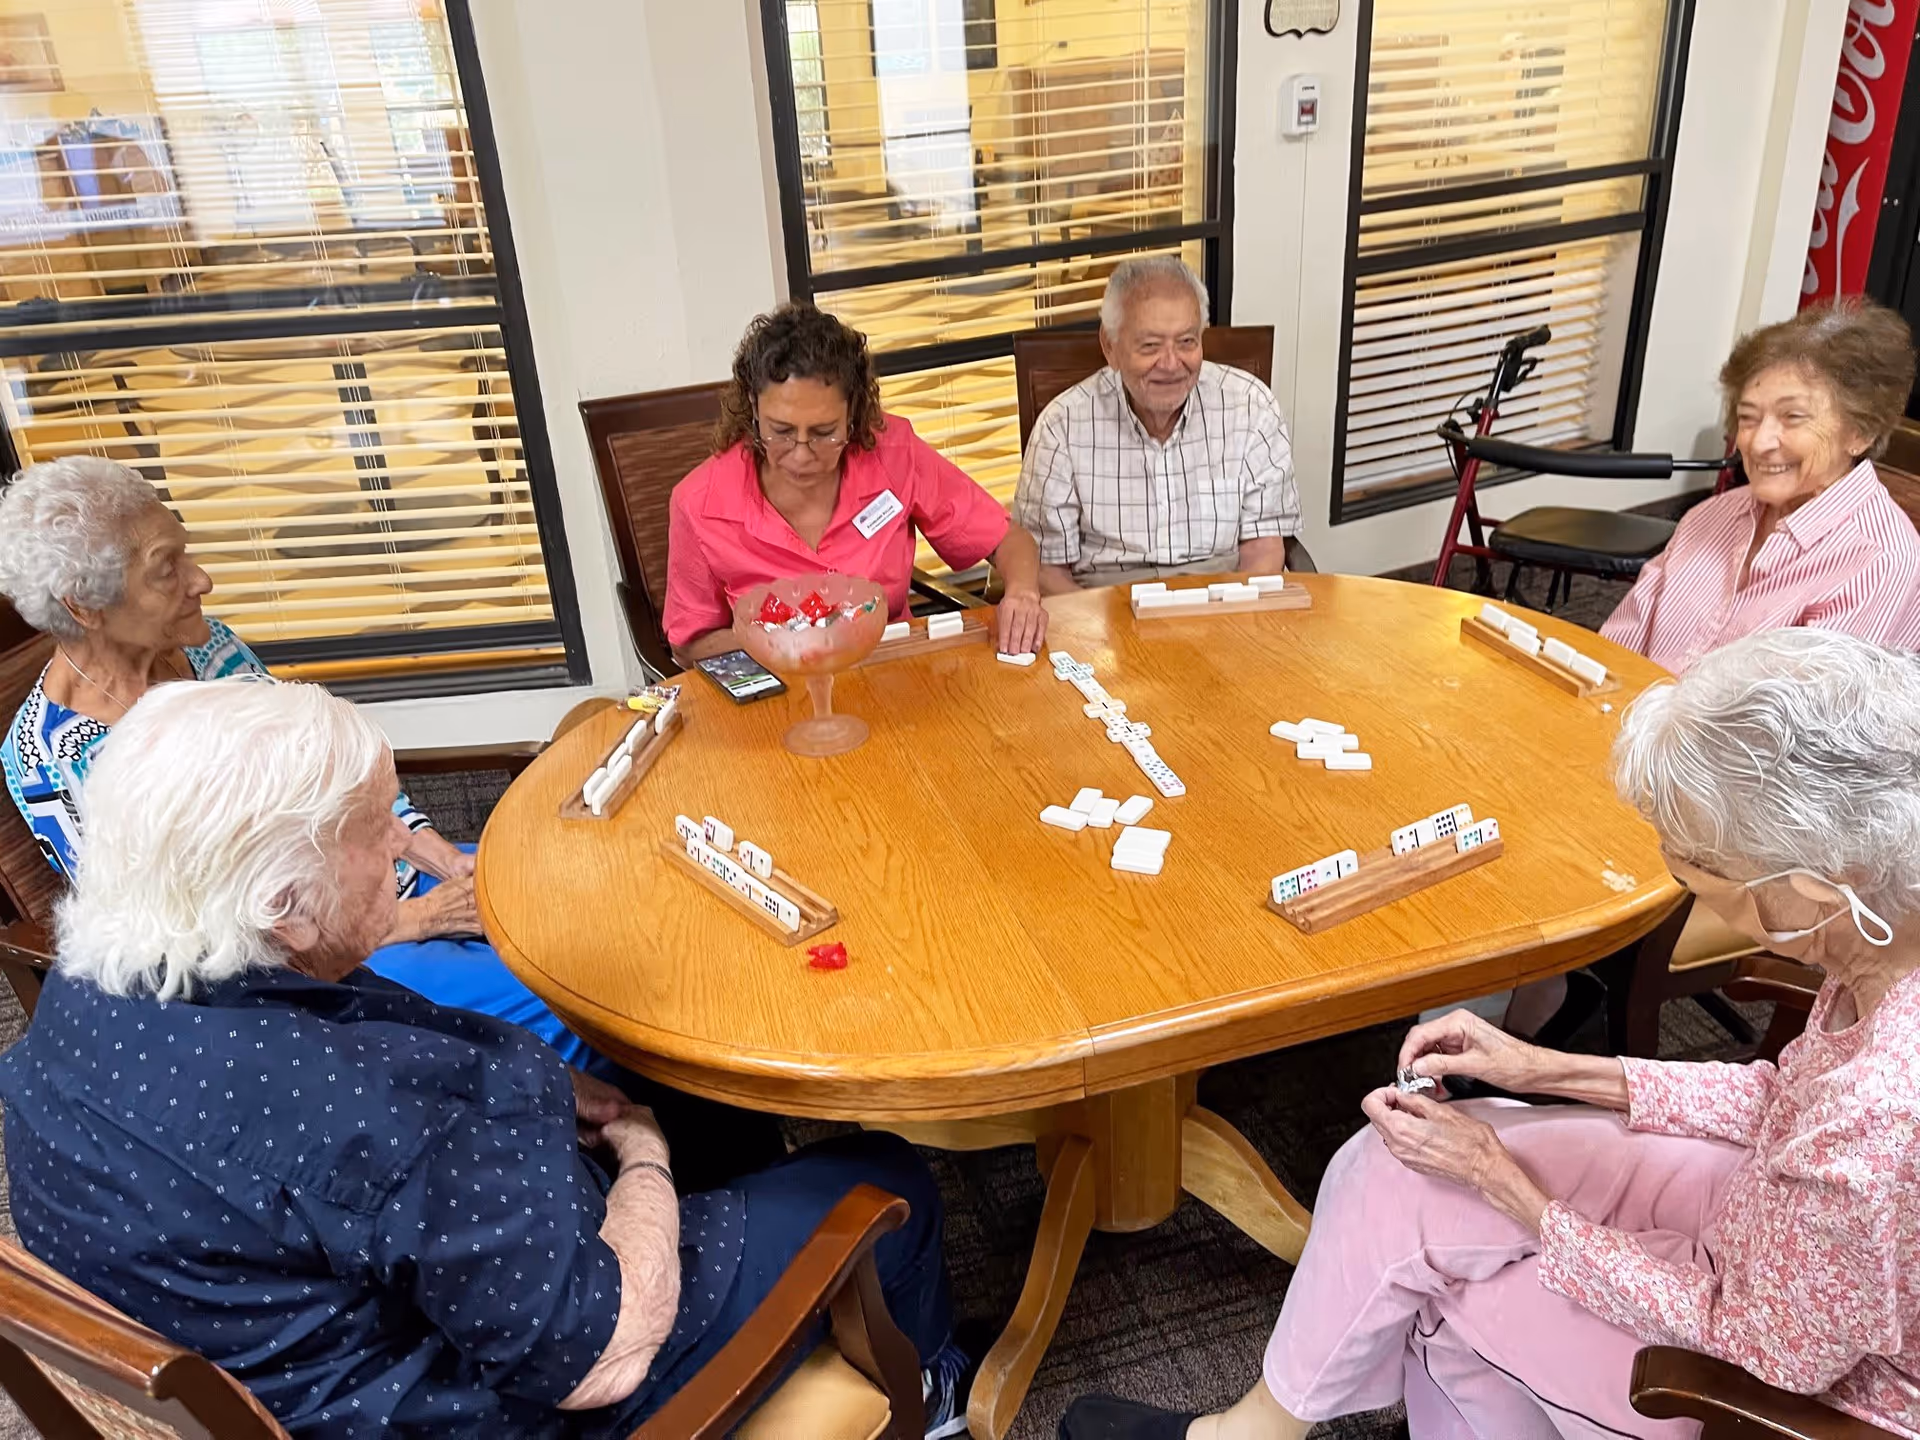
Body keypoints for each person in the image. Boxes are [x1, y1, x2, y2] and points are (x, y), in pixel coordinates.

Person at [0, 677, 973, 1438]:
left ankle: (736, 1213)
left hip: (304, 1330)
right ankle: (928, 1404)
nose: (405, 848)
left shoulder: (80, 1008)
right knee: (883, 1177)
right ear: (280, 904)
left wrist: (554, 1102)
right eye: (373, 830)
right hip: (505, 1395)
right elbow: (602, 1360)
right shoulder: (359, 1109)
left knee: (686, 1094)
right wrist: (643, 1159)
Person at [1061, 627, 1920, 1440]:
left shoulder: (1871, 1120)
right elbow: (1780, 1099)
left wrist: (1517, 1195)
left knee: (1440, 1305)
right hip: (1768, 1222)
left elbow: (1766, 1347)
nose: (1684, 885)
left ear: (1807, 889)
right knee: (1387, 1169)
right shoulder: (1877, 931)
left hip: (1770, 1380)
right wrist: (1540, 1066)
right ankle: (1253, 1431)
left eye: (1697, 868)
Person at [0, 456, 611, 1072]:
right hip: (324, 967)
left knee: (584, 905)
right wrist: (418, 918)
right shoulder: (54, 763)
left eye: (186, 551)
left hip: (378, 873)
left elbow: (334, 771)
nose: (202, 578)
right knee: (575, 1006)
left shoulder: (207, 647)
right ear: (83, 605)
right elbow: (194, 944)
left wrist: (435, 854)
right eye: (167, 569)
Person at [664, 303, 1047, 664]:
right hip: (777, 689)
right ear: (753, 408)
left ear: (853, 414)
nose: (800, 454)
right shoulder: (698, 502)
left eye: (823, 432)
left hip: (892, 674)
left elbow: (1006, 539)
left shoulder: (895, 454)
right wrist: (788, 642)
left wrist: (1023, 593)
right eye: (780, 431)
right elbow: (689, 644)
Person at [1601, 296, 1920, 673]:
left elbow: (1802, 725)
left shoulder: (1878, 561)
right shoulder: (1711, 516)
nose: (1758, 441)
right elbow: (1613, 654)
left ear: (1860, 432)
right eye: (1748, 418)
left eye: (1792, 417)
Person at [1012, 256, 1303, 593]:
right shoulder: (1060, 427)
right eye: (1150, 346)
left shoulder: (1252, 407)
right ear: (1111, 347)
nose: (1171, 364)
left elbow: (1264, 550)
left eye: (1187, 342)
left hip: (1222, 602)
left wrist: (1235, 625)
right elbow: (1046, 569)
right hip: (1104, 608)